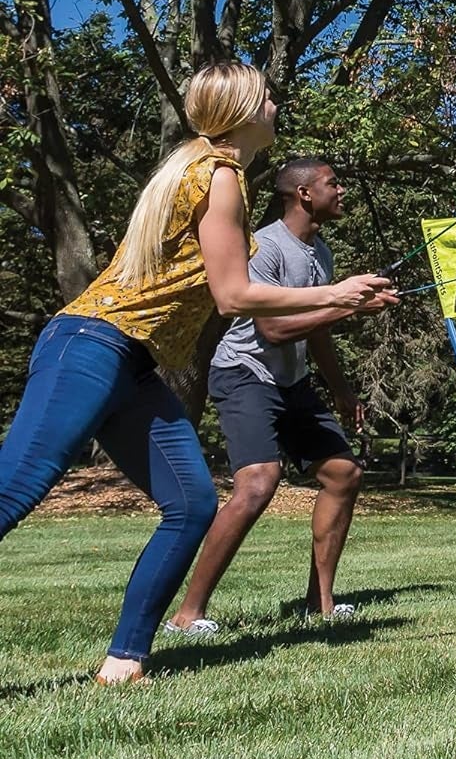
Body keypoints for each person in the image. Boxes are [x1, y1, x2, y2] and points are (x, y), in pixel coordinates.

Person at [0, 63, 393, 683]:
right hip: (90, 342)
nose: (273, 103)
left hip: (131, 361)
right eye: (266, 95)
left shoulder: (204, 166)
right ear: (241, 110)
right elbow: (235, 295)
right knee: (14, 492)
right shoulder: (221, 175)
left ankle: (125, 661)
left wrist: (336, 299)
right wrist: (337, 295)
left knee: (190, 504)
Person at [168, 157, 387, 635]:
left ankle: (320, 605)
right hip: (244, 373)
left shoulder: (320, 254)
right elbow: (273, 329)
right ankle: (188, 615)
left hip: (291, 382)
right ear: (304, 193)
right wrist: (346, 305)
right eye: (335, 182)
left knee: (344, 474)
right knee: (258, 484)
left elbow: (320, 333)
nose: (342, 189)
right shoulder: (266, 245)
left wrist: (344, 392)